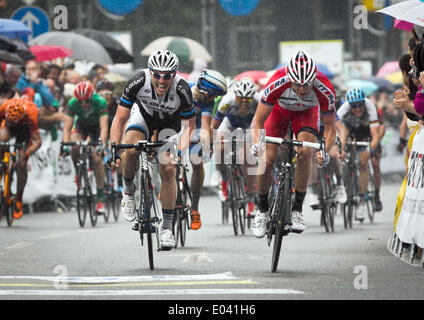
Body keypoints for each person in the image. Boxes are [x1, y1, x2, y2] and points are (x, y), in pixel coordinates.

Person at [109, 50, 196, 250]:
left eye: (167, 75)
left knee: (168, 168)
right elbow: (120, 118)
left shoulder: (182, 89)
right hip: (143, 118)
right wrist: (114, 146)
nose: (162, 80)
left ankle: (166, 228)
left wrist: (180, 151)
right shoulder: (138, 81)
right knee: (130, 151)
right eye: (157, 74)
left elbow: (189, 126)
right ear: (150, 72)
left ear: (175, 74)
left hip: (169, 125)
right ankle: (129, 191)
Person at [250, 50, 336, 236]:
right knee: (268, 159)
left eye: (307, 84)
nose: (302, 89)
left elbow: (330, 127)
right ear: (290, 78)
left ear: (314, 78)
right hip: (279, 113)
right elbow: (257, 121)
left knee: (305, 152)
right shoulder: (276, 82)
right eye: (297, 84)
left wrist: (324, 150)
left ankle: (297, 210)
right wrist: (257, 143)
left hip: (306, 114)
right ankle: (262, 210)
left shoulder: (325, 89)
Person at [212, 77, 260, 218]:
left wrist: (260, 144)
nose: (244, 104)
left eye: (247, 101)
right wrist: (208, 142)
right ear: (235, 97)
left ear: (252, 98)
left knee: (246, 157)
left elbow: (264, 124)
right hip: (230, 123)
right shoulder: (227, 101)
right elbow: (214, 126)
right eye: (240, 100)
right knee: (219, 147)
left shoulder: (258, 101)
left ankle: (251, 201)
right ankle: (224, 178)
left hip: (250, 125)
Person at [188, 69, 227, 230]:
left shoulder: (207, 101)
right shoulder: (182, 90)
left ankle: (194, 207)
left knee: (197, 161)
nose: (215, 99)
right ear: (204, 91)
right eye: (213, 95)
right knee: (167, 159)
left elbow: (205, 125)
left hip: (195, 127)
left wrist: (207, 146)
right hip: (175, 126)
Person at [62, 81, 109, 215]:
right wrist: (66, 145)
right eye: (80, 101)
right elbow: (67, 128)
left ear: (91, 96)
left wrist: (102, 144)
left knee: (97, 160)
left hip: (95, 129)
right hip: (81, 127)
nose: (84, 104)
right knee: (74, 145)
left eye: (86, 101)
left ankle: (100, 198)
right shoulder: (72, 103)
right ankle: (78, 172)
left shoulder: (100, 102)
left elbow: (104, 127)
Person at [336, 88, 381, 219]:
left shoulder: (370, 107)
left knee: (363, 163)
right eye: (354, 106)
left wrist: (369, 150)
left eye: (360, 105)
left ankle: (361, 200)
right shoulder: (343, 109)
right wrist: (341, 148)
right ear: (349, 105)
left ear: (364, 103)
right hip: (352, 132)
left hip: (367, 134)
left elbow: (375, 136)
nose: (358, 109)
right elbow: (338, 130)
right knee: (343, 135)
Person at [0, 98, 42, 219]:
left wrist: (27, 153)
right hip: (6, 126)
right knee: (2, 139)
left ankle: (18, 199)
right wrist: (9, 123)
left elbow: (38, 142)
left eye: (14, 122)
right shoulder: (4, 107)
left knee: (22, 163)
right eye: (10, 121)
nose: (12, 123)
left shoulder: (31, 115)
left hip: (25, 131)